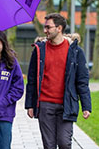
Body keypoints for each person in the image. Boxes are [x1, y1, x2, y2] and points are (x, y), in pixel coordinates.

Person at [25, 13, 91, 149]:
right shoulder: (39, 50)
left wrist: (86, 106)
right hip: (45, 104)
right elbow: (32, 79)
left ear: (59, 28)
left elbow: (82, 81)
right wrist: (30, 104)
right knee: (48, 146)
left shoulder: (76, 52)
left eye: (48, 27)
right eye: (45, 27)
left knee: (64, 143)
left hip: (66, 104)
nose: (45, 31)